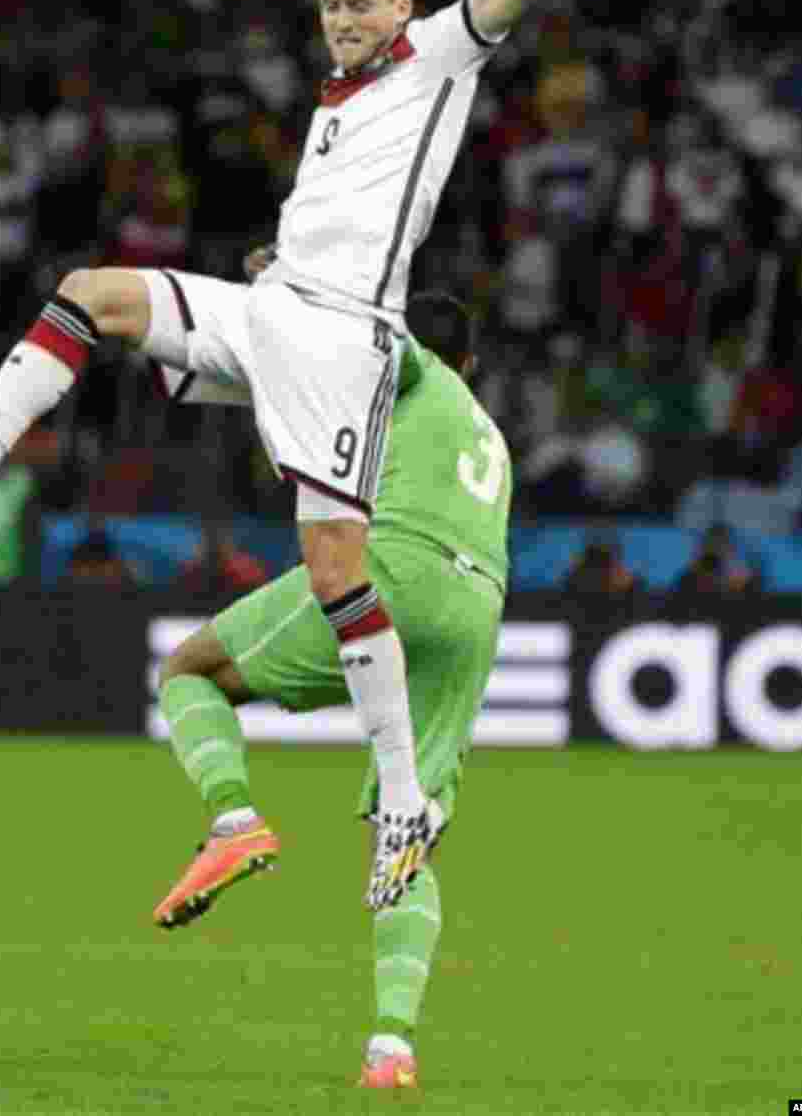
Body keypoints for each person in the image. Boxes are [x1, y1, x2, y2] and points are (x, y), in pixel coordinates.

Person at [0, 0, 680, 913]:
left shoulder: (441, 54)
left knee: (334, 567)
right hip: (279, 305)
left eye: (362, 4)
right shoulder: (334, 100)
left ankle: (401, 800)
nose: (343, 21)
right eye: (331, 7)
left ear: (402, 4)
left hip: (348, 340)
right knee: (92, 292)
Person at [151, 288, 510, 1091]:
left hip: (398, 570)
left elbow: (371, 341)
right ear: (478, 361)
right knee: (405, 822)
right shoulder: (488, 432)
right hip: (479, 604)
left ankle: (234, 818)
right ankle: (391, 1048)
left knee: (190, 671)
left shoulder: (415, 374)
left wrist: (294, 286)